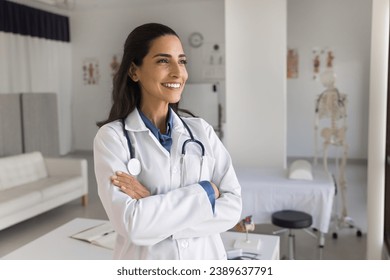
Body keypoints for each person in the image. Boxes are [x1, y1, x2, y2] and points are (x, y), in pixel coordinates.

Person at [93, 23, 242, 260]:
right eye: (163, 61)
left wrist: (153, 206)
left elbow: (233, 207)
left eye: (182, 61)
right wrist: (206, 192)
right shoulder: (113, 138)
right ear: (134, 71)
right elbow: (132, 225)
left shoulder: (201, 130)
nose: (177, 72)